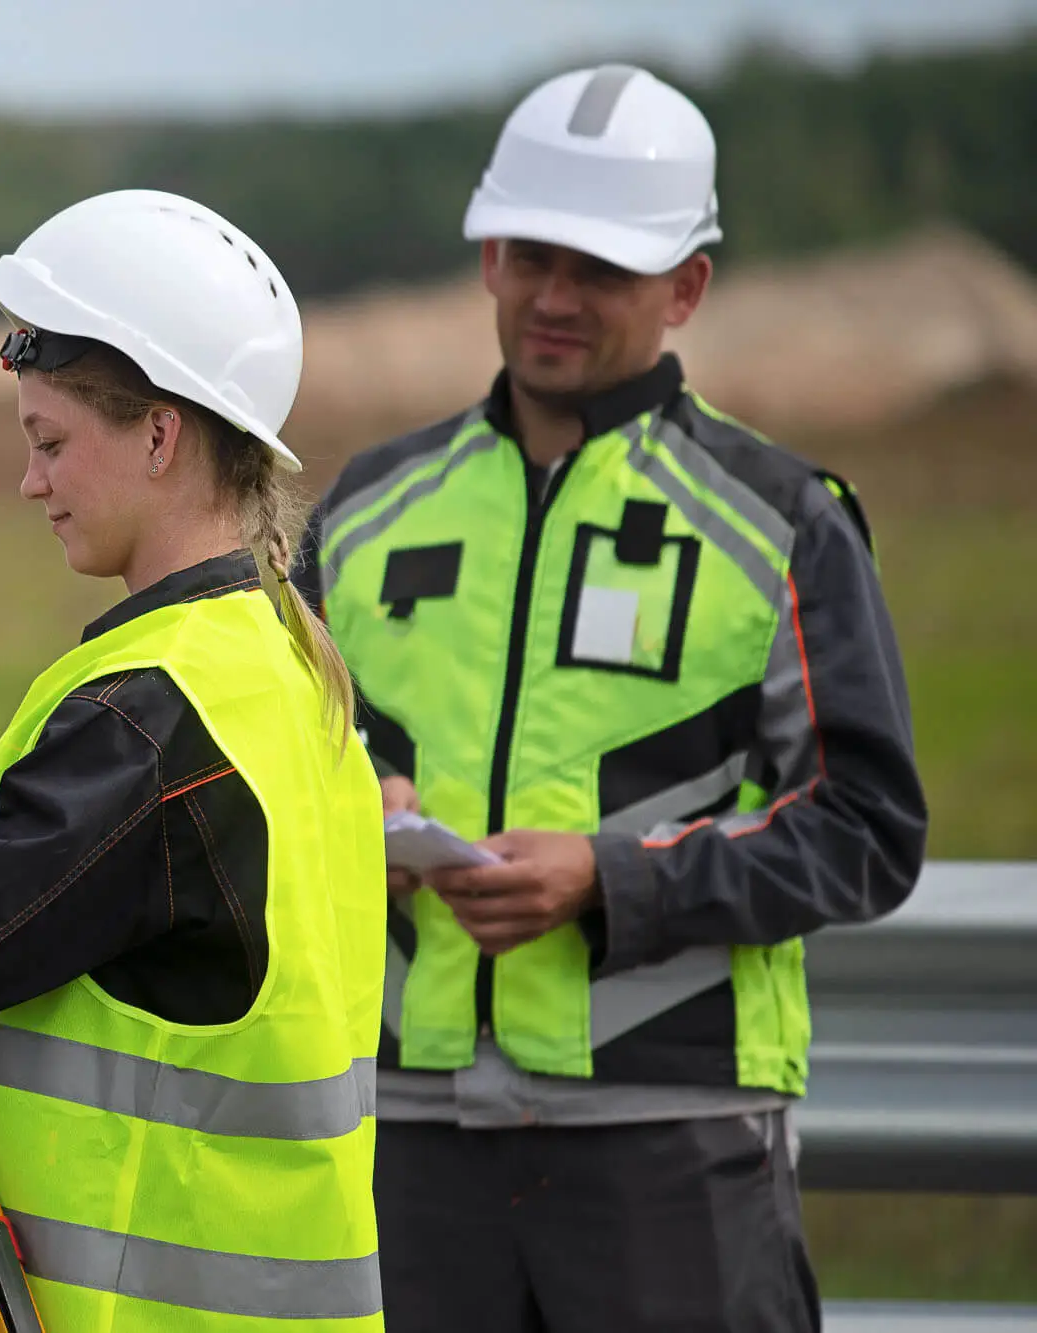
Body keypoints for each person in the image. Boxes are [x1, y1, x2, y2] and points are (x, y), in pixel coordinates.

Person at [293, 66, 928, 1332]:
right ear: (486, 255)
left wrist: (608, 876)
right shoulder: (362, 512)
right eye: (532, 257)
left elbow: (865, 823)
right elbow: (276, 766)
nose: (555, 298)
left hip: (669, 1141)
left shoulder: (780, 521)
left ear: (684, 286)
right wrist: (354, 817)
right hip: (399, 1131)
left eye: (600, 269)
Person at [0, 188, 388, 1331]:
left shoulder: (157, 712)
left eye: (50, 442)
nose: (29, 480)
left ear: (159, 433)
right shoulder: (282, 654)